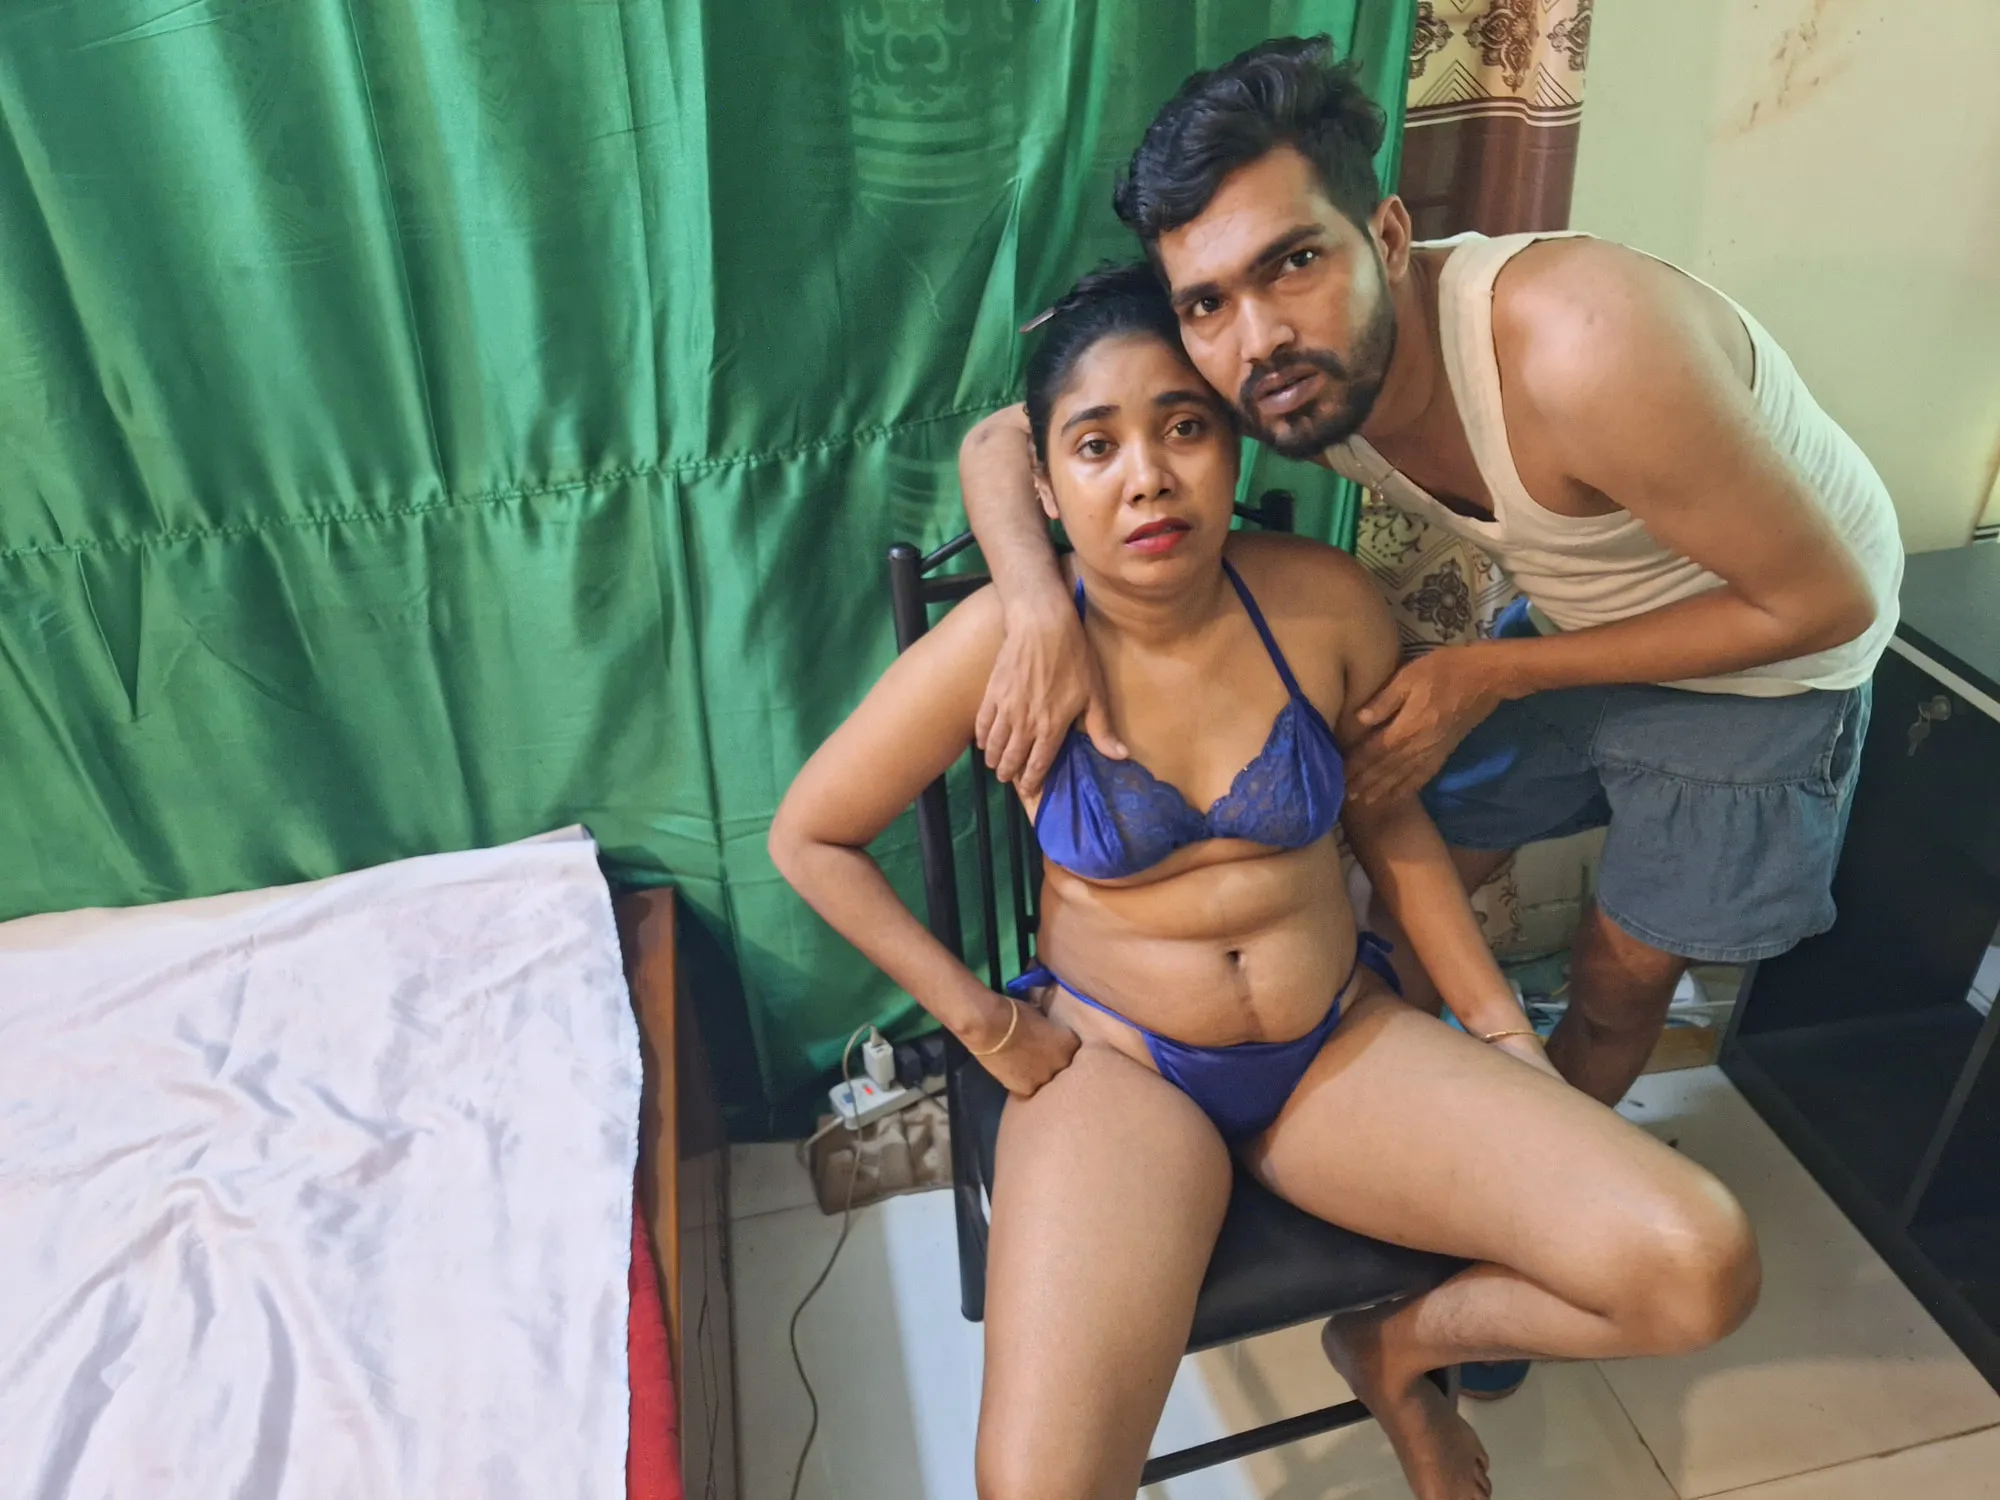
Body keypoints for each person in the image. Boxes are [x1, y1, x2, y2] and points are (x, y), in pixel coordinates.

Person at [770, 265, 1758, 1500]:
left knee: (1696, 1266)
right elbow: (810, 837)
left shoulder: (1319, 602)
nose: (1147, 477)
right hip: (1119, 1068)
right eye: (1096, 445)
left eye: (1184, 428)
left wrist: (1501, 1029)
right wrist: (980, 1023)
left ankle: (1393, 1348)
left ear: (1231, 444)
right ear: (1046, 484)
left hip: (1335, 1047)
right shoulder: (1007, 645)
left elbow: (1388, 822)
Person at [961, 36, 1903, 1129]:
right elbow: (1002, 440)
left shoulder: (1580, 348)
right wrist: (1040, 610)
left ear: (1390, 235)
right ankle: (1408, 1128)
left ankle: (1549, 1167)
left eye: (1294, 261)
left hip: (1769, 660)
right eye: (1207, 300)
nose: (1258, 339)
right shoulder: (1268, 370)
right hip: (1581, 622)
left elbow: (1824, 605)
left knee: (1616, 978)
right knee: (1399, 865)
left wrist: (1492, 672)